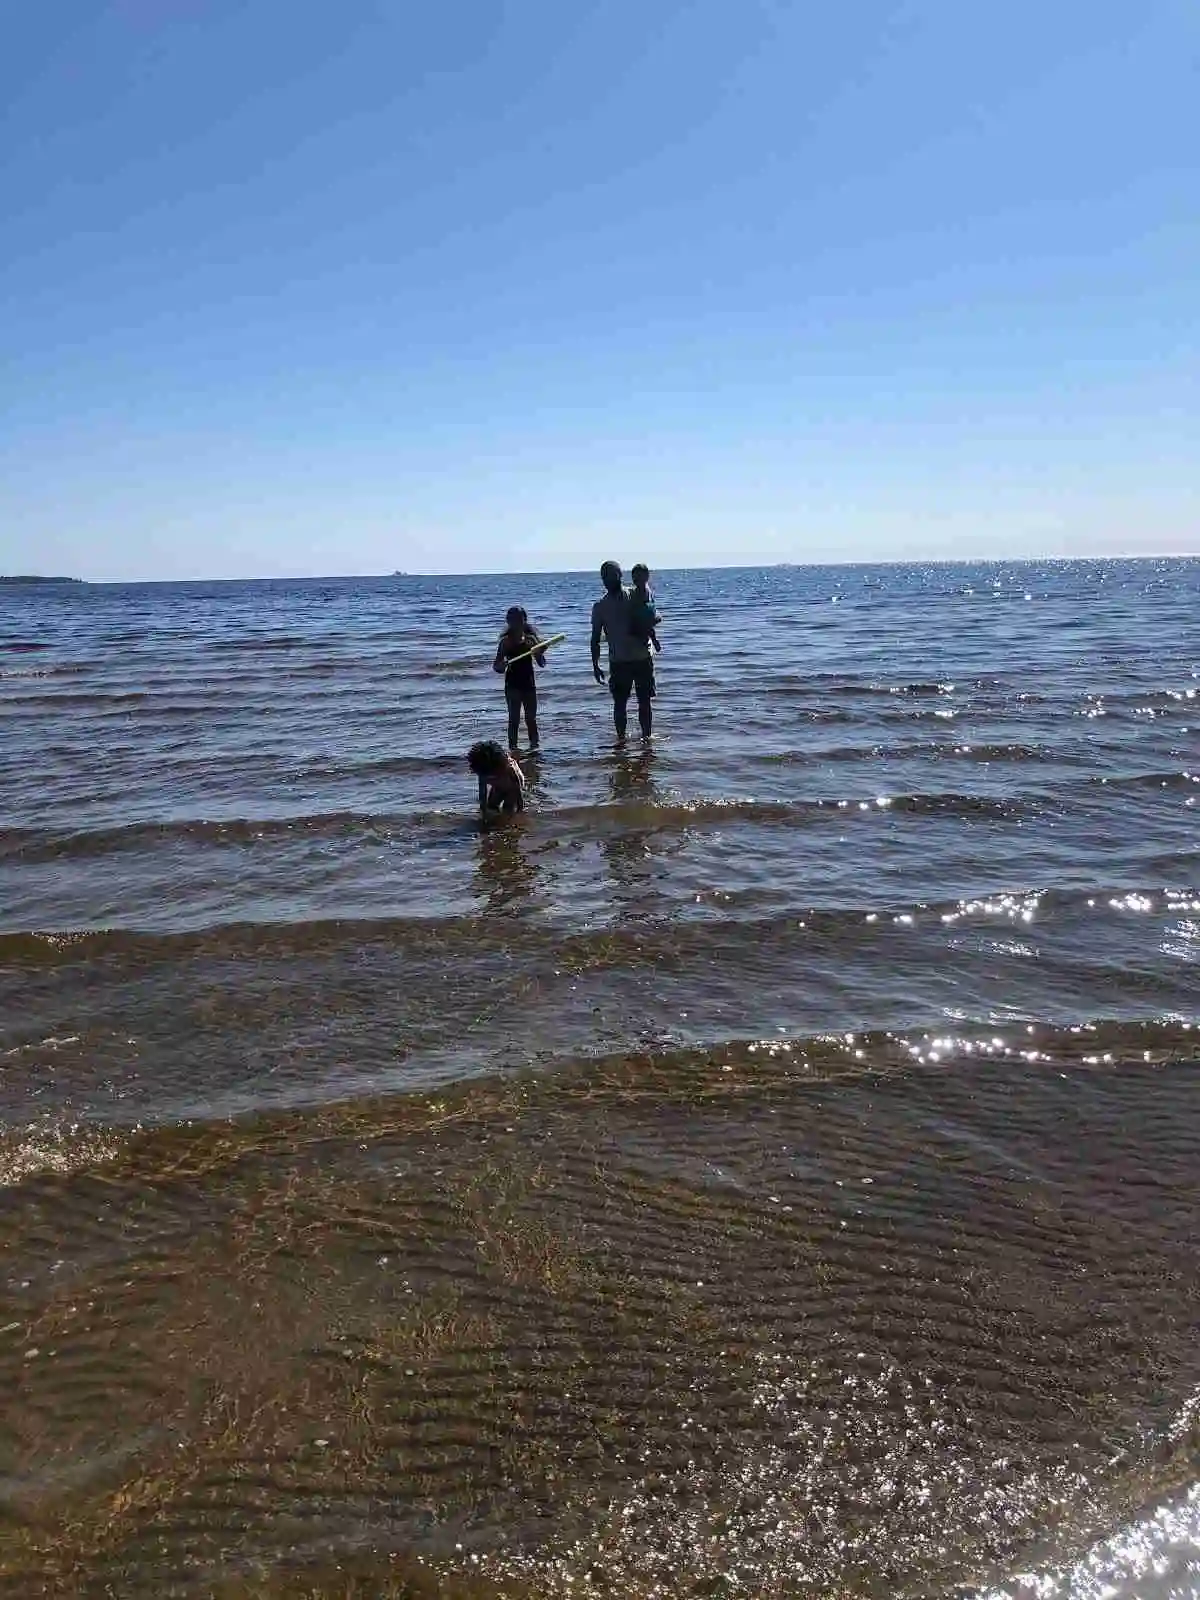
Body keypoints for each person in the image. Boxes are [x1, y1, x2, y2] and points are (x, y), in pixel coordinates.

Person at [590, 560, 655, 742]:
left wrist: (652, 621)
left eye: (613, 575)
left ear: (620, 575)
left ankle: (647, 740)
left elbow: (654, 614)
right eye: (605, 576)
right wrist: (595, 665)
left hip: (642, 657)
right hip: (619, 661)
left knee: (645, 702)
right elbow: (595, 638)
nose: (609, 579)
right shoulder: (600, 607)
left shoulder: (636, 593)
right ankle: (621, 742)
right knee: (619, 704)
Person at [493, 606, 547, 750]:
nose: (516, 622)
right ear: (508, 621)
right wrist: (502, 665)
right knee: (514, 720)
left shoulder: (531, 640)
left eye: (519, 619)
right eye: (512, 619)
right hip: (512, 685)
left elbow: (542, 663)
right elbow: (496, 666)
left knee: (531, 720)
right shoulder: (505, 642)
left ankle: (534, 749)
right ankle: (513, 749)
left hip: (529, 684)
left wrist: (539, 652)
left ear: (524, 620)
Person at [467, 740, 526, 818]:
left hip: (512, 786)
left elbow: (517, 789)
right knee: (491, 806)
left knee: (508, 808)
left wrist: (520, 809)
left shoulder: (509, 768)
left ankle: (508, 825)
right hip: (498, 787)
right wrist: (483, 809)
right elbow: (482, 793)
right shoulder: (482, 770)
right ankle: (496, 823)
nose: (488, 777)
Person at [628, 564, 662, 654]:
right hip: (637, 629)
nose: (636, 581)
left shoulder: (648, 592)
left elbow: (652, 611)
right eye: (634, 579)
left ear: (647, 577)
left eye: (639, 578)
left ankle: (653, 641)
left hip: (645, 627)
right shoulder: (634, 594)